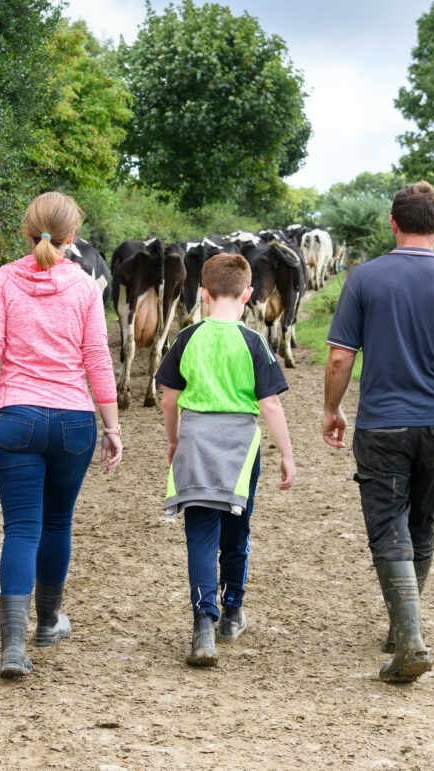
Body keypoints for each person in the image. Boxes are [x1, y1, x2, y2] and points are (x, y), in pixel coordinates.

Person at [322, 180, 434, 683]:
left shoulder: (364, 279)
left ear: (393, 224)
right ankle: (403, 625)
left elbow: (340, 355)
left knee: (388, 527)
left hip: (381, 424)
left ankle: (410, 640)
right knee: (421, 524)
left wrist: (331, 409)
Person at [0, 191, 122, 679]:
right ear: (72, 237)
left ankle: (12, 649)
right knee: (58, 523)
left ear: (28, 233)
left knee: (21, 529)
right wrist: (112, 426)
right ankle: (47, 623)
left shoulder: (4, 279)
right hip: (73, 422)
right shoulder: (86, 286)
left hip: (16, 419)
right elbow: (97, 359)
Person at [155, 253, 298, 667]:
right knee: (237, 530)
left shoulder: (187, 337)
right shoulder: (254, 341)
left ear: (202, 292)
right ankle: (232, 611)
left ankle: (203, 626)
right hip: (241, 447)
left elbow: (168, 396)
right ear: (248, 294)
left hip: (195, 440)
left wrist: (174, 440)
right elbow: (269, 404)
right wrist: (287, 455)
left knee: (200, 534)